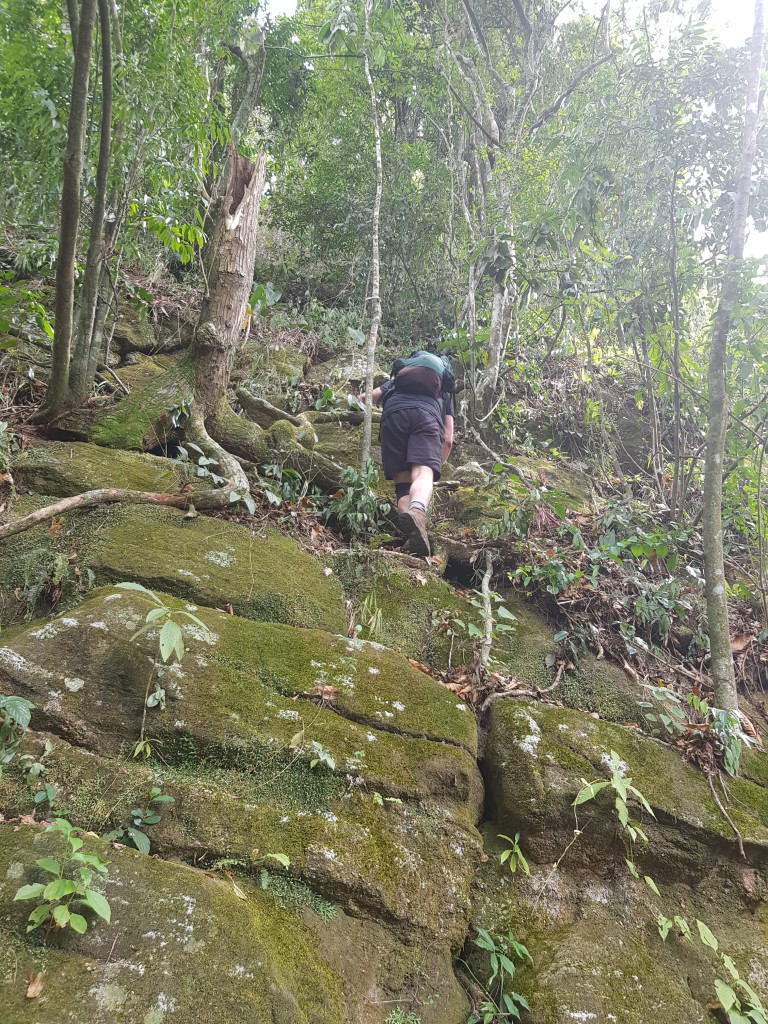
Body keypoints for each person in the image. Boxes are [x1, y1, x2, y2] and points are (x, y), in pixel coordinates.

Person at [365, 350, 454, 557]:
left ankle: (413, 538)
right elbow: (448, 438)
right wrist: (434, 467)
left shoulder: (397, 380)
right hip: (426, 416)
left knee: (403, 488)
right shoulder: (445, 389)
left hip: (393, 417)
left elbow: (366, 398)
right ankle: (417, 511)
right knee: (422, 473)